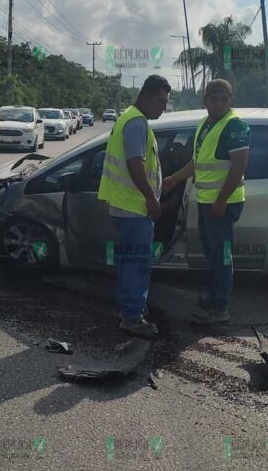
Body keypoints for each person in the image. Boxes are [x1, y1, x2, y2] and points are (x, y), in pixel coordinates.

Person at [162, 78, 249, 324]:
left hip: (223, 203)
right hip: (207, 201)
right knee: (212, 253)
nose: (219, 103)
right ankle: (214, 297)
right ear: (206, 100)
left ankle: (220, 308)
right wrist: (173, 179)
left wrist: (220, 202)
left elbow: (239, 167)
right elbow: (196, 163)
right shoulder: (206, 124)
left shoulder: (234, 126)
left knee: (222, 255)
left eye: (224, 98)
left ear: (231, 100)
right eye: (213, 98)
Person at [98, 74, 171, 337]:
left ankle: (129, 308)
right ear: (148, 96)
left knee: (130, 260)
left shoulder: (130, 116)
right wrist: (152, 198)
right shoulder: (137, 123)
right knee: (137, 263)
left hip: (126, 204)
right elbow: (135, 164)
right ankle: (131, 316)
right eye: (161, 101)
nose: (164, 107)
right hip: (134, 207)